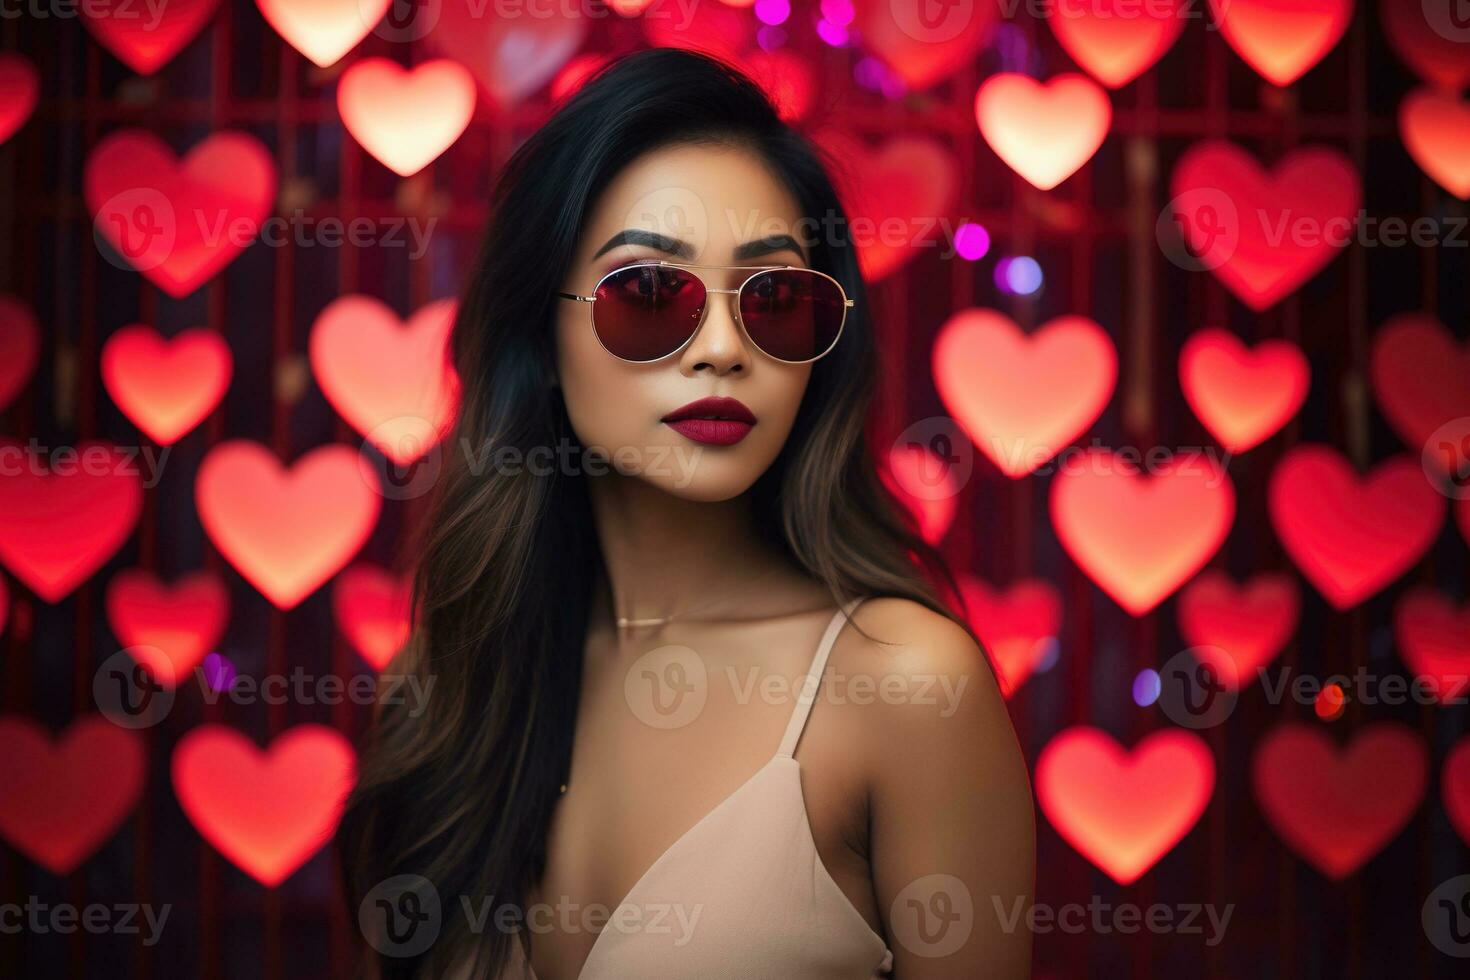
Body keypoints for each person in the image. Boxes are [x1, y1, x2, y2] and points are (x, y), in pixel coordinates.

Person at [339, 47, 1033, 980]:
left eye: (776, 299)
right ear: (539, 334)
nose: (720, 349)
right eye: (650, 292)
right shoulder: (448, 682)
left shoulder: (905, 688)